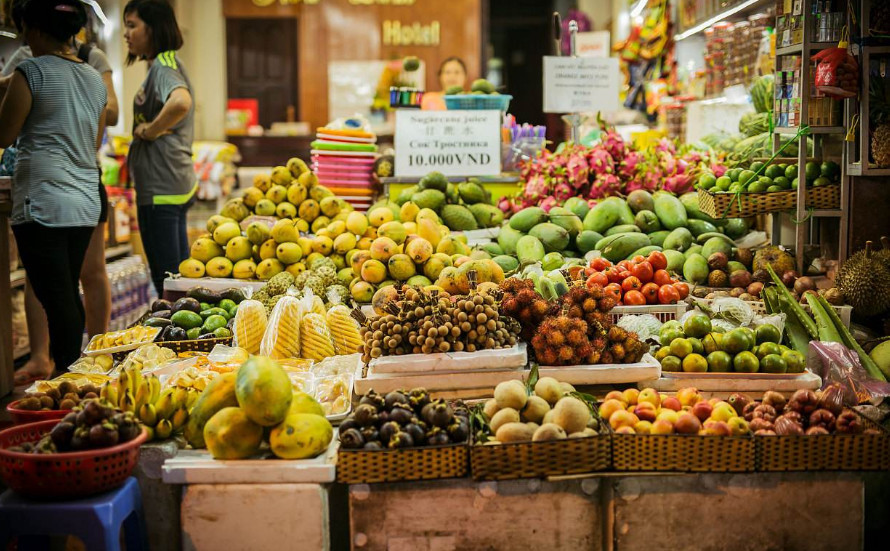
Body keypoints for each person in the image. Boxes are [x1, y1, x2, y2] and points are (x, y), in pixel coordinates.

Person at [0, 0, 120, 384]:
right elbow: (94, 138)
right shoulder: (91, 78)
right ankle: (73, 375)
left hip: (43, 202)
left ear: (34, 31)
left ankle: (70, 380)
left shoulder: (30, 72)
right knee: (66, 292)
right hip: (85, 200)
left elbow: (4, 134)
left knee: (58, 299)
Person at [124, 0, 195, 295]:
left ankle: (174, 341)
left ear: (152, 29)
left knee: (168, 282)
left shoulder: (164, 66)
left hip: (162, 187)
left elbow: (181, 101)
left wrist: (149, 131)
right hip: (167, 184)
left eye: (132, 26)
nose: (126, 34)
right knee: (179, 277)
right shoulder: (161, 65)